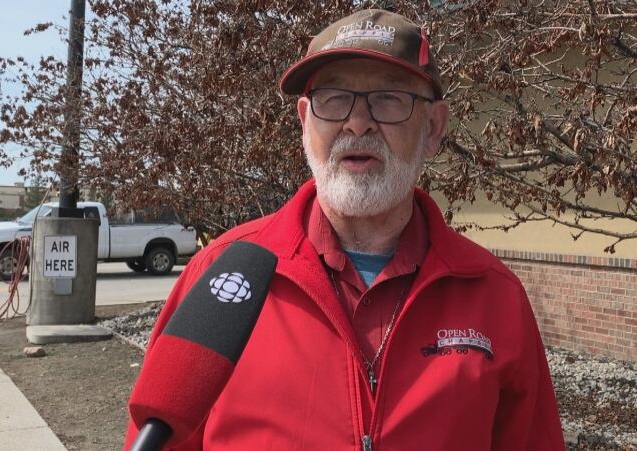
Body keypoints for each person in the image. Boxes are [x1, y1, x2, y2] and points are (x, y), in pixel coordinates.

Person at [125, 9, 565, 451]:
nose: (358, 122)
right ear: (304, 123)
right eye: (334, 99)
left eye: (389, 98)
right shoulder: (219, 278)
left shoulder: (495, 296)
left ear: (432, 128)